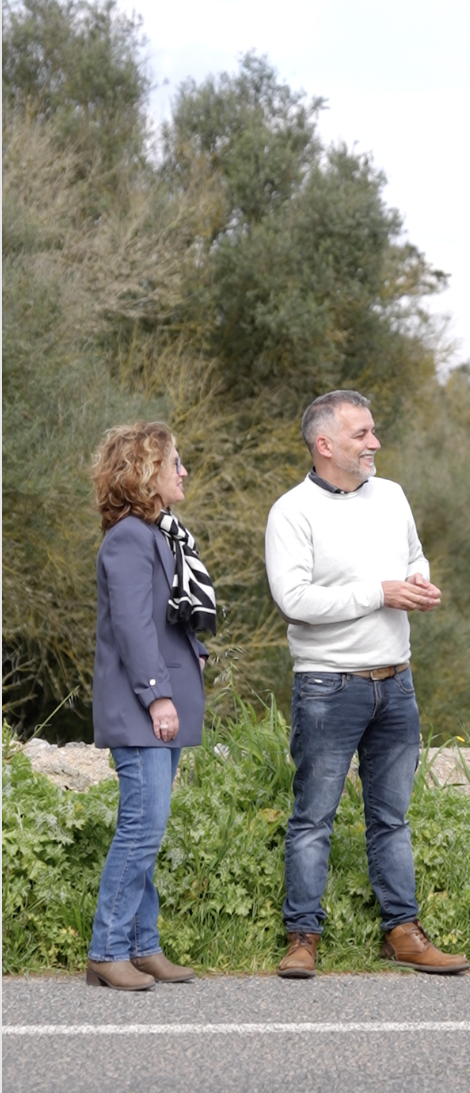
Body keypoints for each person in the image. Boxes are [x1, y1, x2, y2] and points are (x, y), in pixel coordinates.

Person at [265, 390, 470, 978]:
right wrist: (380, 592)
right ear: (325, 444)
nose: (375, 443)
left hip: (397, 683)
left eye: (374, 431)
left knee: (393, 817)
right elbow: (295, 602)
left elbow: (415, 556)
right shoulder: (292, 511)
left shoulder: (394, 496)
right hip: (328, 687)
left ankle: (403, 933)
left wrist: (417, 582)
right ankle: (302, 937)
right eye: (361, 434)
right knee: (313, 818)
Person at [86, 421, 216, 990]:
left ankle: (143, 945)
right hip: (142, 710)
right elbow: (134, 626)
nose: (184, 472)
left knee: (150, 830)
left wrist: (198, 650)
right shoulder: (129, 539)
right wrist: (159, 694)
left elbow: (168, 615)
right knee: (143, 827)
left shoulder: (160, 534)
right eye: (175, 463)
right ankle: (107, 950)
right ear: (145, 474)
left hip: (159, 708)